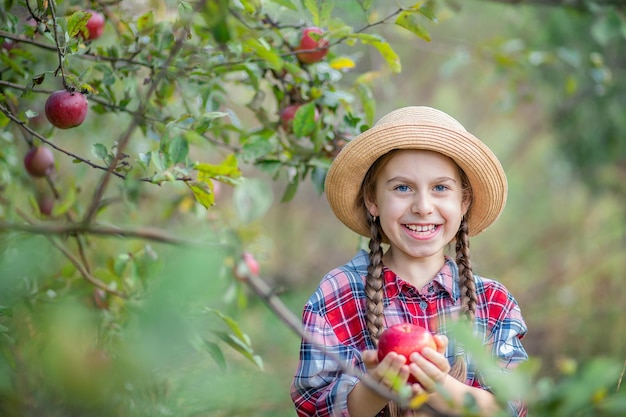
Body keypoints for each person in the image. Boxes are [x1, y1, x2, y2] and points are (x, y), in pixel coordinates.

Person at [290, 106, 528, 417]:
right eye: (403, 188)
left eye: (440, 188)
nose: (423, 206)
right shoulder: (339, 294)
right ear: (372, 200)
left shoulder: (494, 303)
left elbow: (511, 407)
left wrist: (438, 385)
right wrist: (377, 388)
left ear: (463, 201)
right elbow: (312, 406)